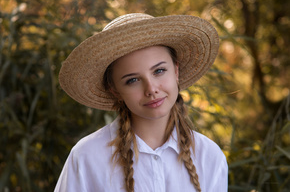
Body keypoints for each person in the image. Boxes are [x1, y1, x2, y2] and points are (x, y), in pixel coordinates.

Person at [55, 13, 228, 192]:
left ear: (176, 71)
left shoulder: (209, 156)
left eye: (159, 71)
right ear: (115, 90)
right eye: (132, 80)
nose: (151, 89)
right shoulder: (86, 157)